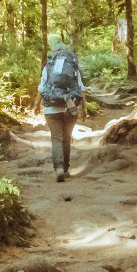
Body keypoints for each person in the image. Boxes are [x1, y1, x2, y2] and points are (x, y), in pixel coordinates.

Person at [34, 42, 87, 182]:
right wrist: (84, 108)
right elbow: (81, 88)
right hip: (70, 107)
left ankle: (58, 168)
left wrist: (36, 104)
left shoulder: (49, 66)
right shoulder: (72, 65)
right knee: (66, 138)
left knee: (56, 138)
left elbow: (42, 87)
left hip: (51, 108)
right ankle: (65, 169)